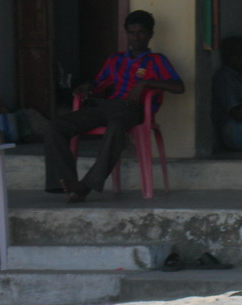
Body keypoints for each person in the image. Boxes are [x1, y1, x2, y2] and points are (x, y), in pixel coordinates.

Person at [44, 10, 185, 203]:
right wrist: (88, 85)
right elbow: (100, 82)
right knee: (56, 125)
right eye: (131, 33)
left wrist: (146, 83)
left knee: (116, 127)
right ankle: (65, 182)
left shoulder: (157, 60)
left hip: (132, 109)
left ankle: (85, 185)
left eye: (141, 32)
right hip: (106, 106)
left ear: (150, 34)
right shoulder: (116, 59)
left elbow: (179, 86)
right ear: (126, 33)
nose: (135, 38)